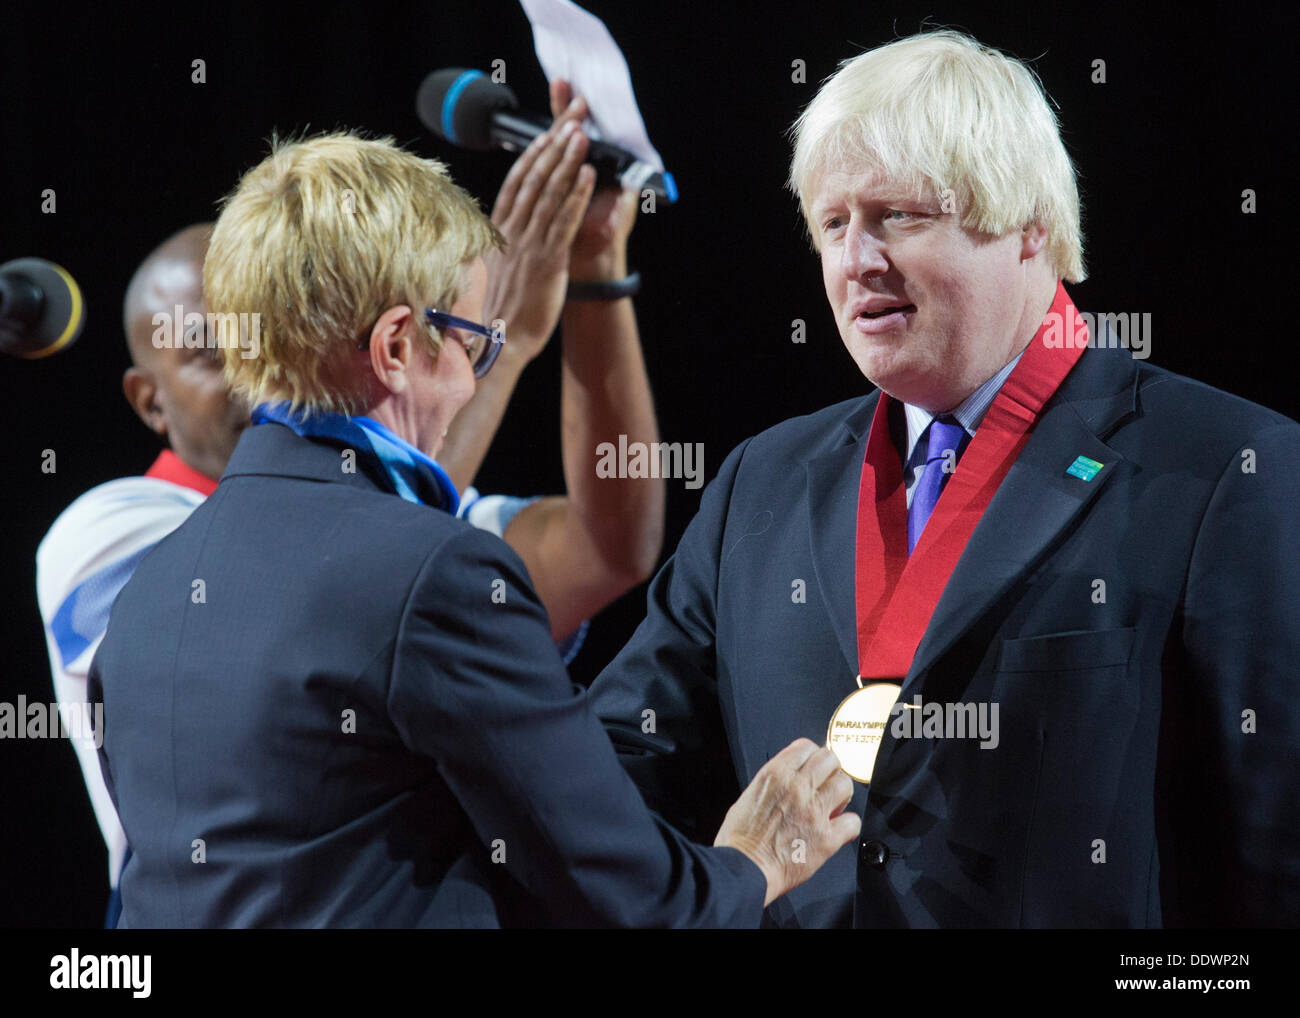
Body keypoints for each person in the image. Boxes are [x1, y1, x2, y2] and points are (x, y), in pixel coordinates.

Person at [588, 29, 1300, 928]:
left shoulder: (1225, 471)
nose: (857, 261)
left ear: (1031, 225)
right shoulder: (759, 482)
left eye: (901, 216)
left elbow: (1276, 853)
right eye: (833, 224)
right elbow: (616, 760)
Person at [86, 129, 860, 927]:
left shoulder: (152, 589)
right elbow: (634, 905)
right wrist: (751, 863)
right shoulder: (438, 577)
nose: (471, 381)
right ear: (395, 346)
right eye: (473, 345)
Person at [37, 83, 663, 922]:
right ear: (148, 401)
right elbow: (335, 581)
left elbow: (607, 549)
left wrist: (593, 280)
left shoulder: (406, 529)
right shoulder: (111, 531)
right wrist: (494, 354)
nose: (248, 366)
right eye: (211, 350)